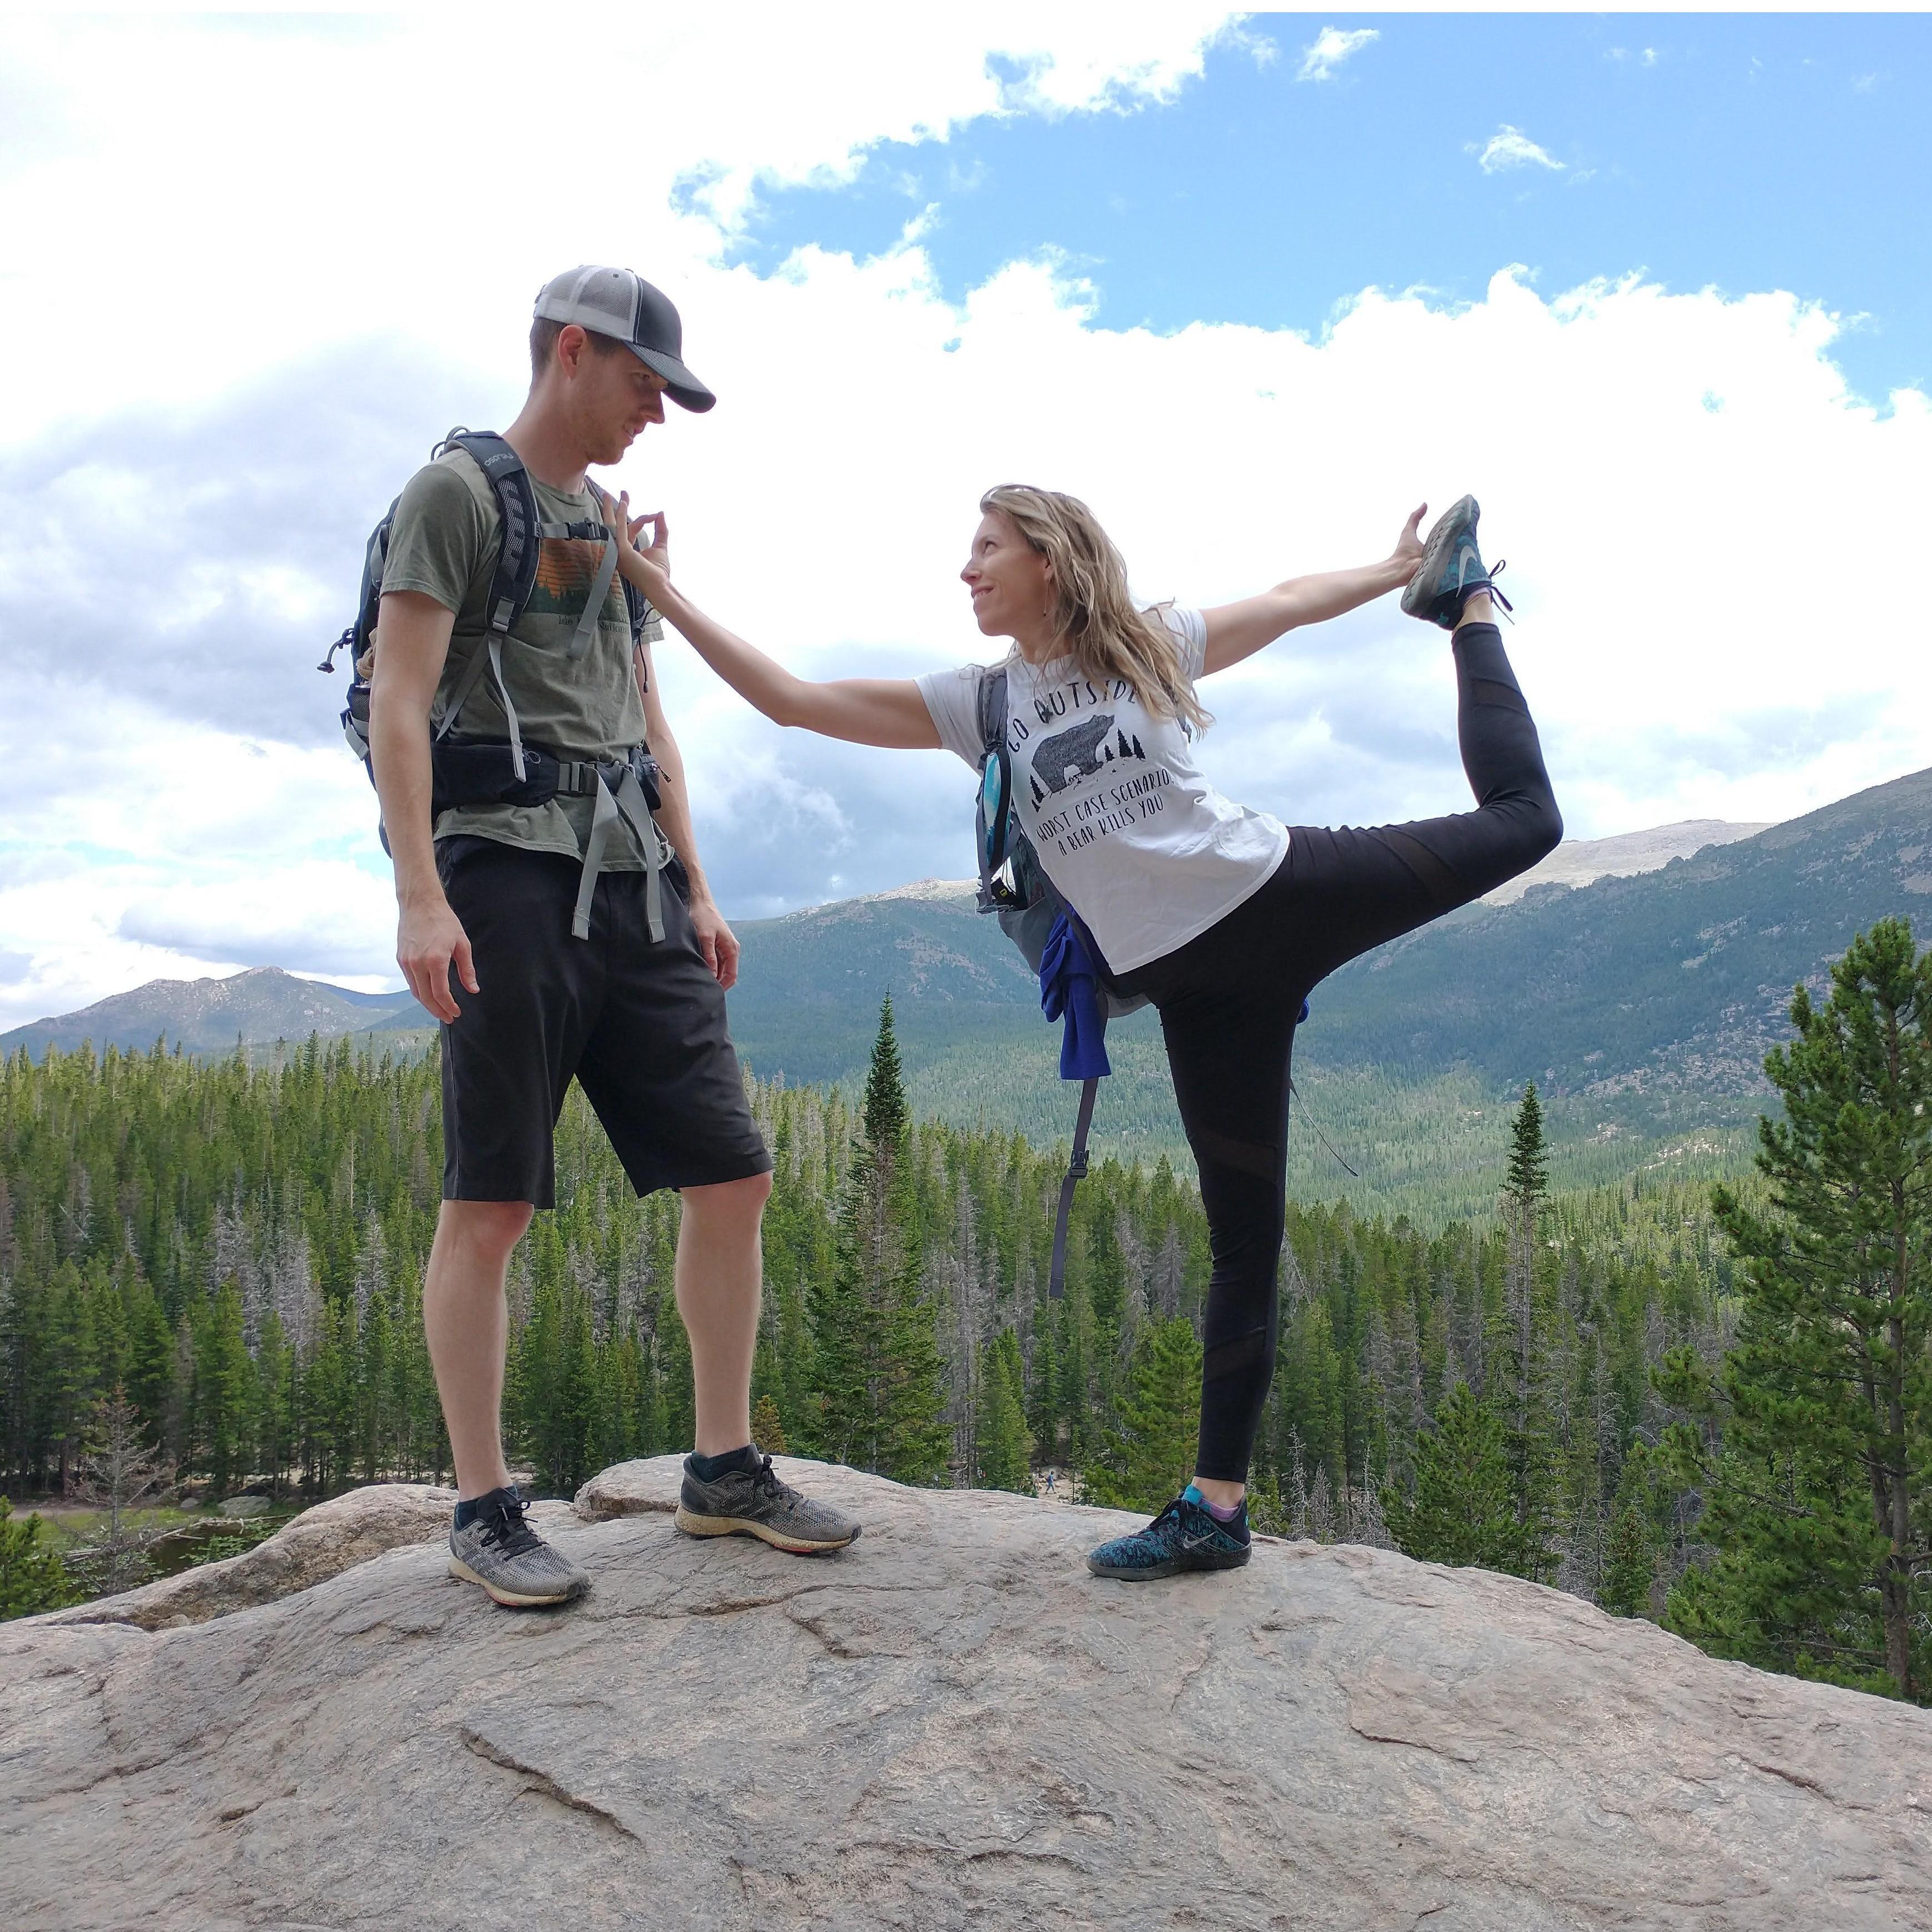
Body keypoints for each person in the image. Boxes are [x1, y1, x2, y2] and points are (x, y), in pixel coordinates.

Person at [601, 483, 1559, 1582]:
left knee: (1526, 822)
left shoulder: (1144, 647)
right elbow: (792, 701)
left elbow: (1288, 602)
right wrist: (656, 592)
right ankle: (1215, 1512)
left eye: (985, 549)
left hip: (1281, 892)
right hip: (1202, 993)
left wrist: (1399, 575)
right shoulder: (982, 704)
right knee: (1244, 1239)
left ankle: (1469, 607)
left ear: (1049, 559)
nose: (966, 571)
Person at [368, 266, 859, 1609]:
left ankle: (722, 1469)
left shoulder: (612, 530)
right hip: (502, 880)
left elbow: (648, 719)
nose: (659, 408)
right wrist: (422, 892)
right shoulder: (457, 498)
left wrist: (695, 886)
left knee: (732, 1172)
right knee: (495, 1201)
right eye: (647, 381)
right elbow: (399, 701)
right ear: (570, 352)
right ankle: (482, 1506)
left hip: (634, 884)